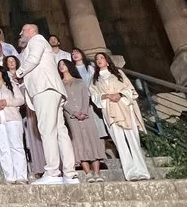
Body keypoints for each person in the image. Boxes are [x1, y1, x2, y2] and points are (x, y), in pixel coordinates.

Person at [16, 23, 78, 185]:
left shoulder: (36, 40)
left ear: (30, 31)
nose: (20, 35)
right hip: (52, 89)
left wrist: (19, 72)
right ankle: (70, 174)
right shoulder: (39, 42)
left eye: (22, 32)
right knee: (60, 131)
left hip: (44, 88)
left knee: (47, 129)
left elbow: (34, 59)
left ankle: (52, 171)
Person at [91, 53, 150, 181]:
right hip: (109, 110)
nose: (99, 60)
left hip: (124, 107)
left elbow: (130, 89)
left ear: (107, 61)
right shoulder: (95, 79)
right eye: (97, 59)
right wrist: (107, 96)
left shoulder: (118, 74)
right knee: (120, 142)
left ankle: (142, 171)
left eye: (101, 58)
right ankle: (130, 173)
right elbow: (94, 95)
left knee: (133, 140)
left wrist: (120, 94)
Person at [58, 59, 105, 182]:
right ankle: (88, 173)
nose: (62, 67)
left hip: (86, 114)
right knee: (78, 141)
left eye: (63, 64)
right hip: (71, 116)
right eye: (60, 65)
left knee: (92, 139)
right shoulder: (59, 84)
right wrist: (74, 112)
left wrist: (83, 111)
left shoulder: (79, 81)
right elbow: (63, 101)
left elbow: (86, 96)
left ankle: (97, 172)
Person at [0, 66, 28, 184]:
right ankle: (9, 176)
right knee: (3, 149)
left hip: (12, 119)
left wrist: (6, 102)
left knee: (16, 147)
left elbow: (21, 100)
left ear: (2, 72)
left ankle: (21, 176)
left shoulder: (11, 85)